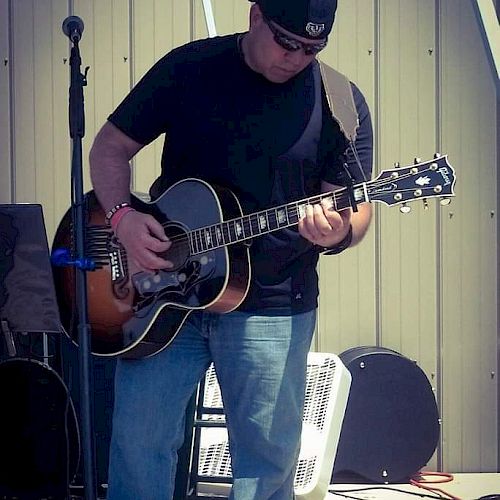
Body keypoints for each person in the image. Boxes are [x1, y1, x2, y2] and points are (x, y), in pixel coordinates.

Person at [89, 0, 373, 498]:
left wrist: (339, 231)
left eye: (314, 48)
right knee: (138, 448)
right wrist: (123, 218)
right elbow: (109, 148)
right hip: (162, 297)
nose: (298, 58)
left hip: (273, 304)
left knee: (266, 466)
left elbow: (356, 207)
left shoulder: (340, 100)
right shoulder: (189, 68)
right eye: (288, 42)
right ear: (255, 16)